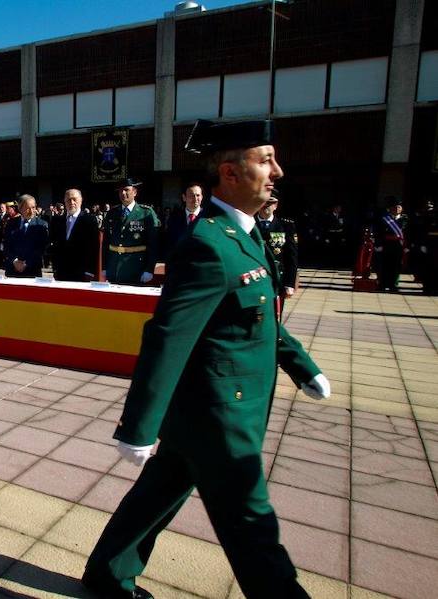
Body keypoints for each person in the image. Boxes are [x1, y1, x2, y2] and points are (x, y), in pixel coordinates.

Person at [83, 119, 331, 599]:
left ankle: (108, 573)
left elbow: (257, 315)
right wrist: (138, 427)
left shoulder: (247, 233)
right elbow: (167, 338)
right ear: (230, 173)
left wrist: (301, 364)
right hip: (221, 417)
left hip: (210, 410)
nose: (278, 171)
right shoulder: (207, 244)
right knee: (252, 526)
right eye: (266, 160)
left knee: (159, 492)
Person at [102, 178, 159, 285]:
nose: (123, 193)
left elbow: (153, 244)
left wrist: (149, 269)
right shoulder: (112, 213)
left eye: (126, 190)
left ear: (135, 192)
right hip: (114, 267)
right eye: (120, 191)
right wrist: (104, 267)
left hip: (136, 268)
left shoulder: (146, 213)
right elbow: (106, 243)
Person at [256, 192, 298, 302]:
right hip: (255, 277)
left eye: (269, 203)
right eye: (263, 202)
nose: (266, 206)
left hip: (277, 279)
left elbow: (291, 257)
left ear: (275, 205)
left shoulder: (286, 226)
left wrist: (290, 283)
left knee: (276, 309)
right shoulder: (249, 224)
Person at [50, 189, 100, 282]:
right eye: (68, 200)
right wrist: (55, 268)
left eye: (74, 199)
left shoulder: (89, 220)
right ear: (64, 201)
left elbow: (94, 247)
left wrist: (90, 271)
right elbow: (55, 246)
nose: (71, 202)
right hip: (61, 273)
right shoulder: (57, 221)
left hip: (82, 273)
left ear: (81, 200)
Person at [3, 194, 48, 278]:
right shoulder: (10, 223)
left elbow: (41, 248)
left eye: (33, 207)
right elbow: (6, 245)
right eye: (28, 208)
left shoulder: (42, 225)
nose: (31, 211)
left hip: (32, 270)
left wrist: (26, 263)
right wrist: (14, 261)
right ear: (20, 208)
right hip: (12, 270)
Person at [374, 197, 408, 292]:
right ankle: (382, 284)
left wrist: (407, 246)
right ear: (390, 208)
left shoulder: (405, 219)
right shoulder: (384, 219)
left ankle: (393, 285)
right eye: (395, 207)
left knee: (396, 266)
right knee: (384, 265)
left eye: (399, 207)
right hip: (386, 245)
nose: (397, 209)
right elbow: (379, 232)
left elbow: (408, 233)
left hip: (399, 245)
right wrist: (378, 244)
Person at [165, 183, 205, 257]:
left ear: (202, 197)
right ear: (184, 197)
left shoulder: (208, 218)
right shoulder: (174, 218)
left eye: (198, 195)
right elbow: (169, 243)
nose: (195, 199)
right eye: (191, 195)